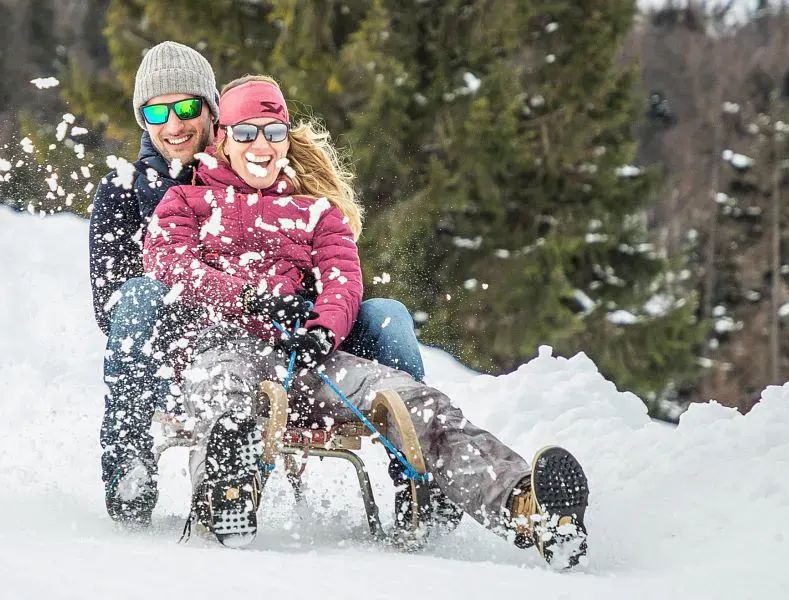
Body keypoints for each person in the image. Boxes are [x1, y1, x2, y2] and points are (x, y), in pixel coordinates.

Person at [142, 75, 590, 567]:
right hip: (222, 346)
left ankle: (526, 508)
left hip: (306, 358)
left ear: (287, 139)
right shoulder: (185, 201)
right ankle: (226, 496)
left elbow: (344, 283)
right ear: (223, 139)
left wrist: (322, 331)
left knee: (415, 401)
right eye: (246, 132)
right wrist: (251, 298)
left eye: (273, 132)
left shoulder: (315, 213)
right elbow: (169, 262)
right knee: (223, 396)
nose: (261, 145)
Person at [88, 42, 430, 528]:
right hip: (189, 346)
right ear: (141, 119)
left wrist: (306, 315)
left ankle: (418, 473)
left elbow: (335, 263)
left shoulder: (261, 157)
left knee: (387, 314)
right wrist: (225, 298)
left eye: (187, 107)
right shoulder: (125, 192)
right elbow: (113, 309)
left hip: (293, 332)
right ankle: (128, 460)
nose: (174, 124)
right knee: (142, 292)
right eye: (156, 111)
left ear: (213, 114)